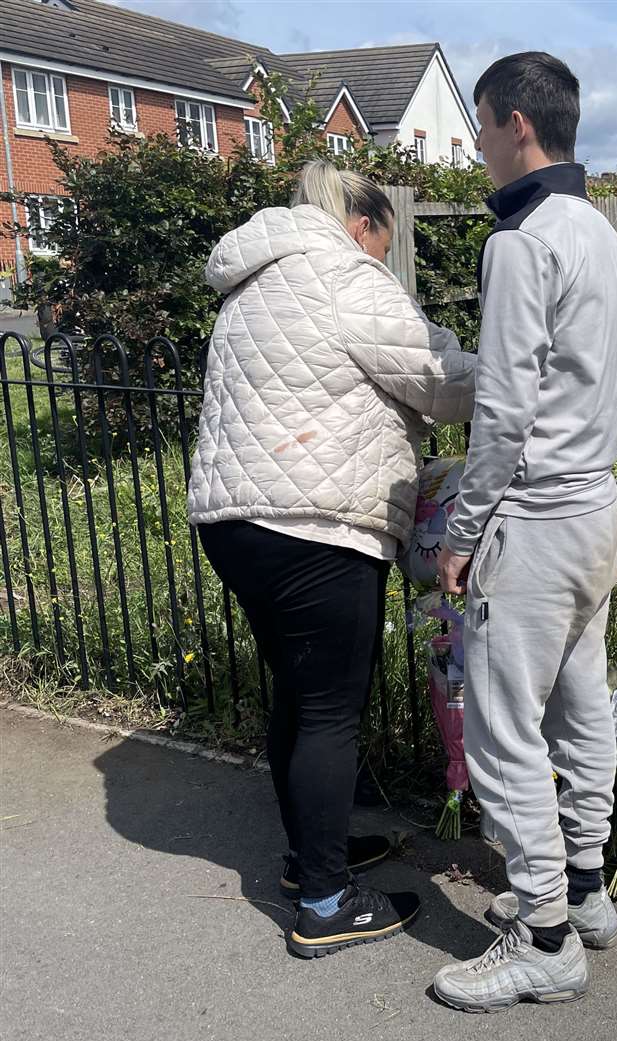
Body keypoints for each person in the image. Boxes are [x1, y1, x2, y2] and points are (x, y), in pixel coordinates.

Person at [187, 161, 475, 959]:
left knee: (300, 695)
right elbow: (441, 381)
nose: (385, 260)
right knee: (327, 712)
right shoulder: (345, 276)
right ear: (362, 227)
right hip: (312, 524)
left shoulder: (255, 281)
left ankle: (309, 860)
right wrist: (519, 381)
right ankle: (322, 902)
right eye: (384, 245)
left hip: (234, 520)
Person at [431, 52, 617, 1012]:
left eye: (478, 127)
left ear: (515, 123)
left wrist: (463, 529)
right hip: (596, 508)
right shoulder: (601, 231)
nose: (476, 148)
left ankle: (545, 938)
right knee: (583, 704)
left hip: (535, 518)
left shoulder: (521, 241)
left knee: (505, 731)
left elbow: (502, 411)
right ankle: (588, 890)